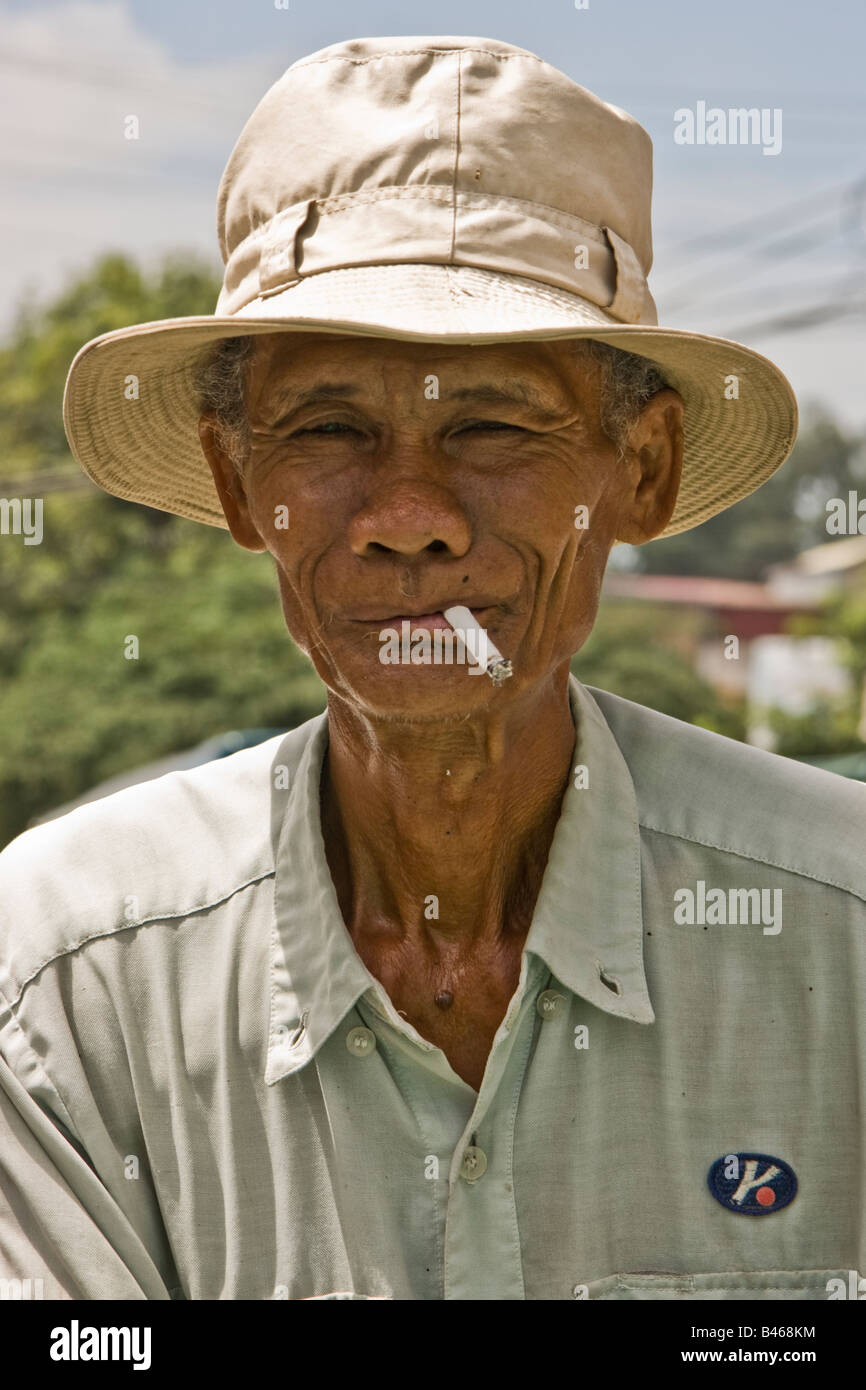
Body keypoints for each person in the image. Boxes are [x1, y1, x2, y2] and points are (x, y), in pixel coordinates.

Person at [1, 34, 863, 1302]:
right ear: (240, 486)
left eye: (494, 423)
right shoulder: (68, 974)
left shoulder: (838, 937)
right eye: (329, 427)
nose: (408, 512)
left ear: (641, 471)